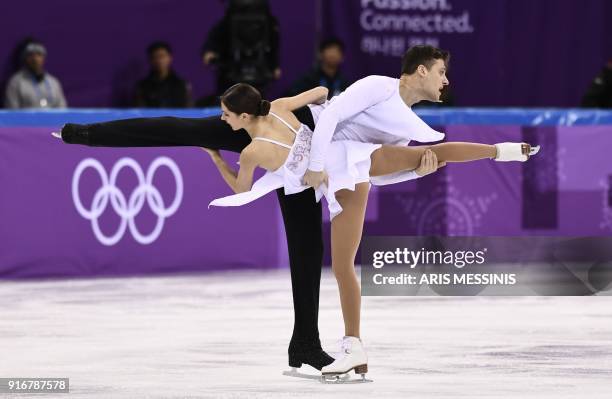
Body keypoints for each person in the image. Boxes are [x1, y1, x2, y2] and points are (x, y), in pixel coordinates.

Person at [206, 49, 539, 378]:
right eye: (441, 72)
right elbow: (332, 115)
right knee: (342, 265)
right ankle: (355, 346)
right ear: (421, 71)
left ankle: (354, 346)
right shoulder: (378, 86)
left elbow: (376, 166)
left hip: (348, 168)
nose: (446, 80)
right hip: (332, 162)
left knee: (344, 262)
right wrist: (318, 167)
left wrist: (415, 173)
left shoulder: (406, 125)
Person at [4, 41, 67, 109]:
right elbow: (12, 111)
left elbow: (62, 109)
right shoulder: (16, 82)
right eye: (30, 55)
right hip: (26, 119)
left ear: (44, 58)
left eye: (39, 54)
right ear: (25, 58)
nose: (35, 59)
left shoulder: (53, 82)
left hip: (51, 119)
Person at [285, 38, 350, 99]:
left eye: (337, 51)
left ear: (342, 57)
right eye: (329, 49)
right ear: (320, 54)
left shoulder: (345, 84)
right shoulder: (308, 80)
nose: (333, 54)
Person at [135, 41, 192, 108]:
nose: (159, 61)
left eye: (162, 56)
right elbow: (139, 111)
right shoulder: (142, 86)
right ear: (150, 60)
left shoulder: (182, 84)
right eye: (155, 57)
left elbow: (189, 110)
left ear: (170, 58)